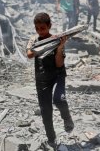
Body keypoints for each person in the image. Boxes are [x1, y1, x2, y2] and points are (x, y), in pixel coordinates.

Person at [26, 13, 74, 150]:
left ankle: (67, 118)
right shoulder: (34, 40)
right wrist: (42, 45)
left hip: (57, 75)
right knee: (46, 111)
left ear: (49, 26)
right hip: (41, 79)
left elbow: (59, 64)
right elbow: (29, 55)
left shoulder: (58, 40)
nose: (40, 31)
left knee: (59, 99)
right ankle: (52, 139)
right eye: (37, 28)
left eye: (43, 28)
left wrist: (59, 47)